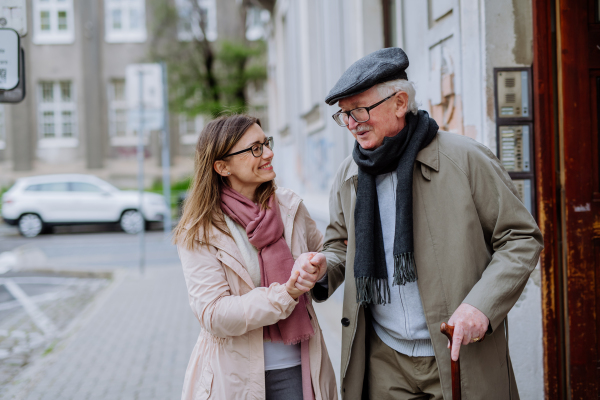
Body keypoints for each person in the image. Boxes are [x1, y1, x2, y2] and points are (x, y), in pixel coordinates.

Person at [292, 47, 544, 399]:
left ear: (399, 103)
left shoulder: (464, 159)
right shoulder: (349, 175)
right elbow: (338, 246)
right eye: (344, 115)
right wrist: (321, 268)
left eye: (360, 110)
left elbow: (520, 237)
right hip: (383, 359)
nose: (351, 123)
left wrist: (482, 305)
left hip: (456, 354)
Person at [175, 115, 338, 400]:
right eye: (255, 149)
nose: (269, 154)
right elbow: (213, 314)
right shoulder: (201, 229)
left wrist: (320, 267)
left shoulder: (290, 206)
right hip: (234, 378)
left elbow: (326, 253)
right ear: (222, 167)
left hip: (299, 368)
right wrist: (286, 293)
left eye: (266, 143)